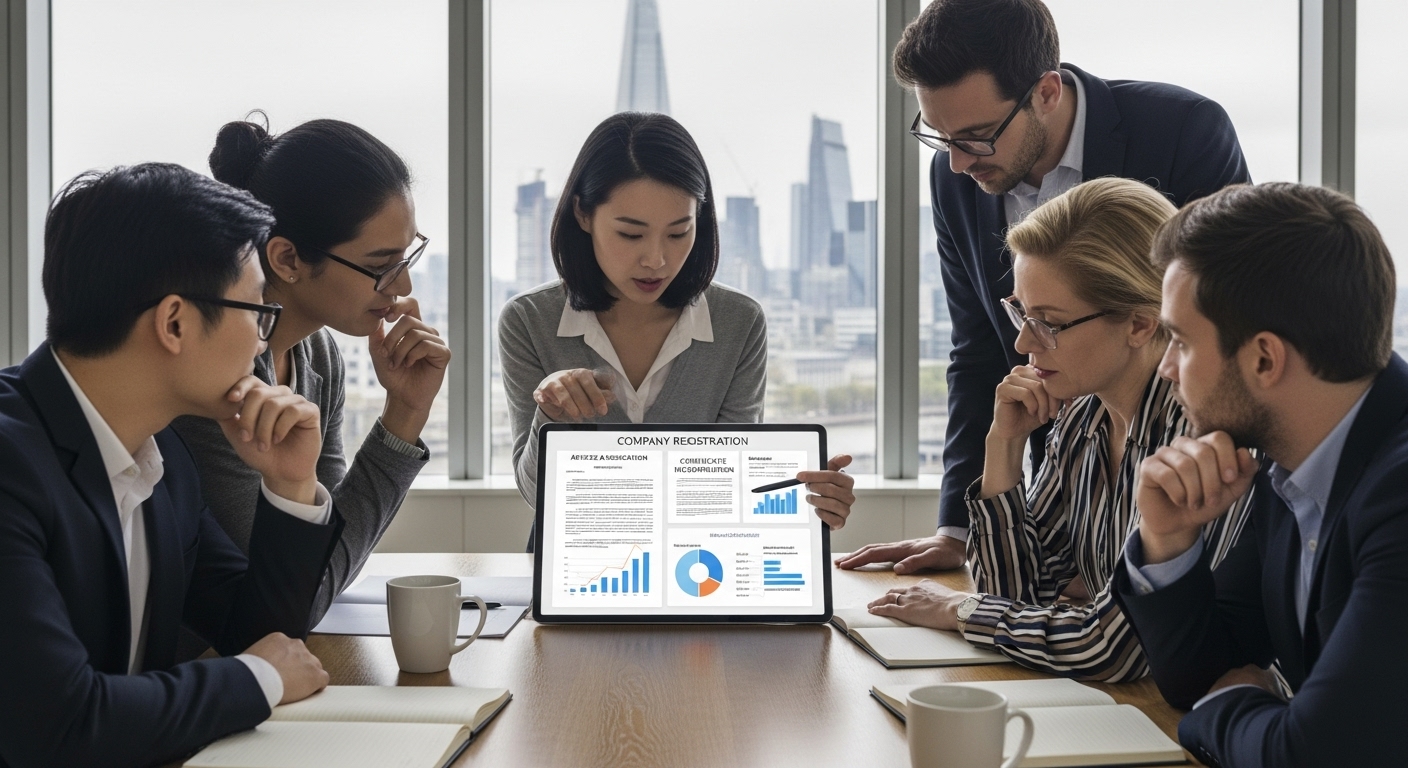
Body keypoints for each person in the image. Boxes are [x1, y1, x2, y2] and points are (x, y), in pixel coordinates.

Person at [839, 0, 1250, 574]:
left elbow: (1228, 320)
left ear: (1047, 93)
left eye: (977, 137)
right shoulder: (955, 179)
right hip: (1063, 481)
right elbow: (980, 349)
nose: (957, 163)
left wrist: (1146, 567)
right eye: (941, 136)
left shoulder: (1182, 131)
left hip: (1184, 473)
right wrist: (959, 531)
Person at [0, 163, 342, 768]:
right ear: (176, 322)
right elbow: (57, 723)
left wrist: (289, 483)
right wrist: (257, 680)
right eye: (259, 310)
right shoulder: (10, 462)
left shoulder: (164, 461)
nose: (265, 341)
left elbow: (254, 634)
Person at [858, 178, 1250, 680]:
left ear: (1139, 324)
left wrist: (956, 610)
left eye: (1047, 321)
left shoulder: (1202, 438)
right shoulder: (1083, 416)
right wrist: (1003, 447)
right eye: (1020, 311)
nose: (1023, 342)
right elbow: (1015, 594)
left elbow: (1117, 649)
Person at [1112, 182, 1407, 765]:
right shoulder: (1293, 458)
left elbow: (1316, 753)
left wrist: (1230, 705)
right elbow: (1204, 670)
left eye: (1179, 340)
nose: (1166, 368)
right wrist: (1168, 539)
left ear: (1264, 359)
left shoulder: (1398, 496)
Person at [499, 112, 854, 549]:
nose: (657, 260)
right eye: (631, 235)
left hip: (697, 568)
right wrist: (550, 415)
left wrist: (800, 496)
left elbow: (726, 486)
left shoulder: (738, 322)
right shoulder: (528, 320)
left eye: (678, 232)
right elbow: (537, 497)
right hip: (575, 569)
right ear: (583, 214)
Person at [172, 116, 448, 623]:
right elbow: (297, 595)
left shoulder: (316, 354)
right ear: (287, 258)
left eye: (408, 254)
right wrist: (399, 426)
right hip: (203, 670)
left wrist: (407, 411)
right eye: (382, 262)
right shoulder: (216, 377)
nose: (403, 284)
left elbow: (326, 555)